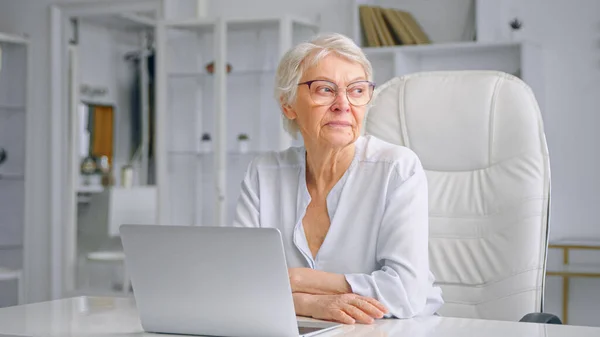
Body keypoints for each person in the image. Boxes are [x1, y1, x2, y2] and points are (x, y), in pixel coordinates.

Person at [233, 32, 443, 324]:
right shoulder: (263, 173)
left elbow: (405, 292)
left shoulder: (397, 168)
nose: (343, 104)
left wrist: (298, 279)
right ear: (288, 105)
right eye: (324, 89)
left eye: (357, 90)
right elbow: (238, 284)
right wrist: (310, 304)